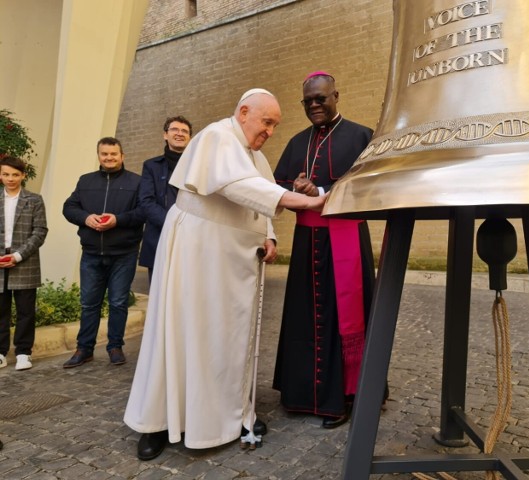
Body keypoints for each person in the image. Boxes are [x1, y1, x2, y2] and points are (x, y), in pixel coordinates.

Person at [124, 88, 326, 461]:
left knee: (226, 340)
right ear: (244, 112)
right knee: (183, 332)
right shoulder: (217, 135)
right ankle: (158, 422)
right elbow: (239, 187)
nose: (270, 132)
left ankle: (231, 416)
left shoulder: (254, 155)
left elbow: (260, 197)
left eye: (275, 126)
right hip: (197, 252)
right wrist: (305, 201)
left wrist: (268, 235)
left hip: (235, 264)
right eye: (266, 122)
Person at [272, 71, 377, 428]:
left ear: (336, 95)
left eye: (321, 99)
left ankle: (349, 394)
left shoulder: (362, 135)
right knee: (305, 317)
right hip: (307, 243)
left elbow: (368, 185)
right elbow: (278, 185)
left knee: (346, 318)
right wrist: (296, 190)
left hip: (345, 239)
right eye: (308, 102)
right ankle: (302, 393)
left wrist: (318, 192)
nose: (315, 105)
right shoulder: (297, 142)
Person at [62, 137, 144, 368]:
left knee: (118, 302)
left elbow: (142, 212)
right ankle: (84, 349)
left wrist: (117, 220)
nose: (109, 158)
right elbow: (69, 208)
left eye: (113, 154)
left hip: (124, 254)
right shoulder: (85, 181)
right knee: (89, 303)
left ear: (122, 156)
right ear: (99, 156)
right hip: (91, 253)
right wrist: (86, 218)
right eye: (104, 154)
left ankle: (115, 347)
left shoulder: (136, 182)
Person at [0, 156, 48, 371]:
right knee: (0, 311)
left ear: (23, 175)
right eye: (6, 174)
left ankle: (23, 353)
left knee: (26, 310)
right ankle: (0, 353)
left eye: (15, 175)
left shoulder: (34, 200)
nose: (10, 179)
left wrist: (18, 256)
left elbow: (40, 232)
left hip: (24, 261)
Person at [138, 116, 192, 282]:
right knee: (158, 296)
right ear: (165, 135)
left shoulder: (198, 166)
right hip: (158, 237)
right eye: (174, 129)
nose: (179, 133)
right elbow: (146, 201)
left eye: (185, 131)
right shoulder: (151, 166)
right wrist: (172, 222)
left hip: (190, 239)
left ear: (190, 137)